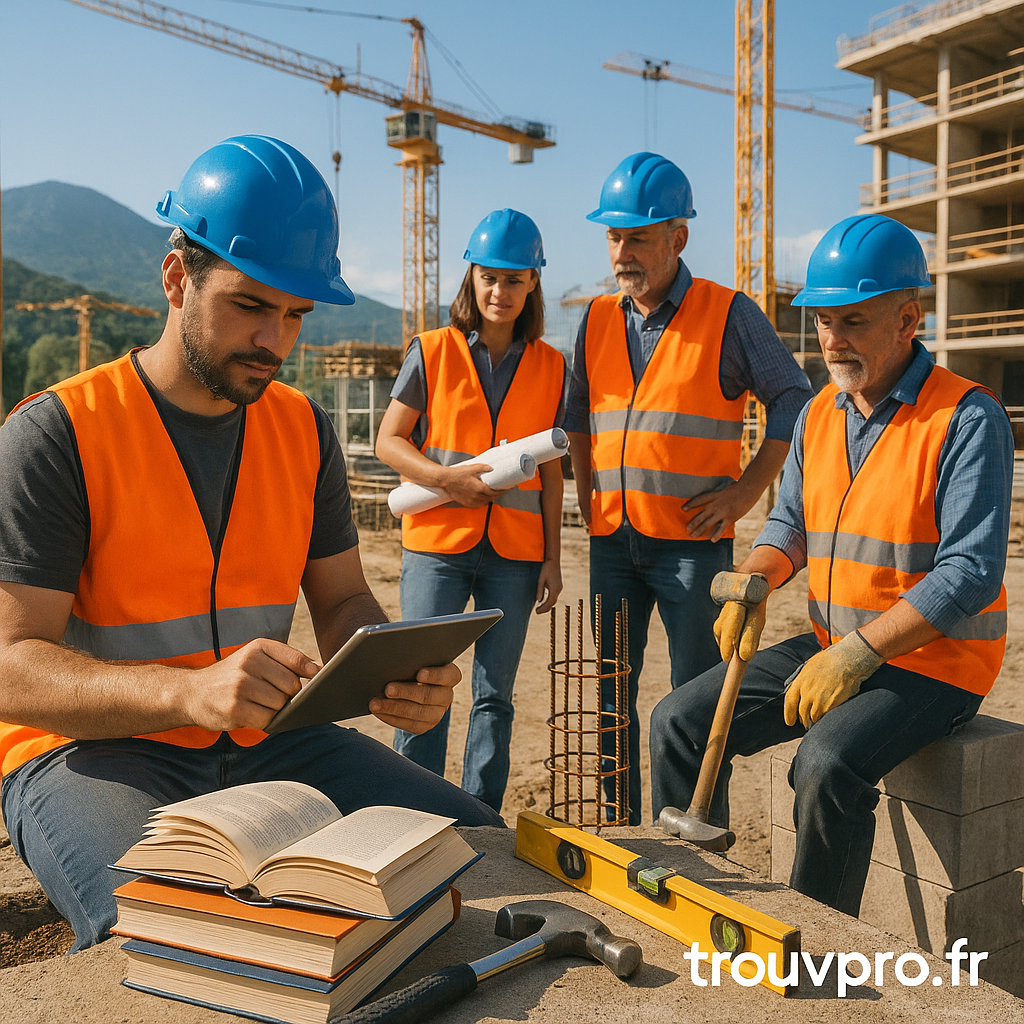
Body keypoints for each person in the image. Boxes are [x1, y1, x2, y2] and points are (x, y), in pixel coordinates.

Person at [0, 135, 503, 952]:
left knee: (481, 853)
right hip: (90, 754)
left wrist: (383, 669)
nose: (275, 340)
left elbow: (342, 599)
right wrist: (187, 693)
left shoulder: (302, 430)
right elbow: (10, 666)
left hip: (272, 740)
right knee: (181, 940)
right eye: (249, 306)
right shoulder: (58, 433)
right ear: (177, 279)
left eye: (295, 315)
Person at [650, 213, 1012, 914]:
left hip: (936, 666)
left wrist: (859, 654)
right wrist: (755, 580)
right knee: (677, 720)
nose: (831, 340)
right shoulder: (820, 414)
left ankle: (819, 950)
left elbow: (969, 571)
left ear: (908, 319)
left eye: (853, 321)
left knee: (826, 763)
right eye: (821, 321)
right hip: (831, 642)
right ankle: (688, 897)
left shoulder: (967, 418)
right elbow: (792, 523)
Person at [564, 152, 813, 822]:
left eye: (638, 237)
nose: (622, 253)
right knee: (610, 692)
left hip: (691, 550)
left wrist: (746, 492)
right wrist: (586, 490)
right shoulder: (592, 319)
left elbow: (793, 398)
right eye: (614, 237)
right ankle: (620, 824)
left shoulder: (727, 313)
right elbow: (575, 413)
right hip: (612, 541)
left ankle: (699, 830)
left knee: (695, 697)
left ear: (678, 237)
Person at [375, 209, 565, 814]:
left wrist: (553, 558)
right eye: (488, 277)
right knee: (419, 687)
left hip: (515, 554)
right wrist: (443, 480)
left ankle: (477, 817)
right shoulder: (431, 352)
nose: (498, 291)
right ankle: (413, 812)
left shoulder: (551, 366)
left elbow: (554, 470)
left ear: (533, 283)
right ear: (470, 277)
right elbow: (389, 441)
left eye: (513, 279)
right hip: (436, 546)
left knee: (495, 696)